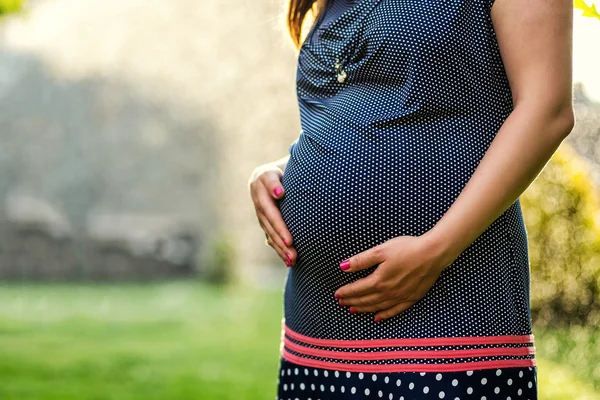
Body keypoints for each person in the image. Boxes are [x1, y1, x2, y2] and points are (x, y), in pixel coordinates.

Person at [248, 0, 574, 398]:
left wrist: (436, 249)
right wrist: (285, 169)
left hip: (452, 322)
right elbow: (361, 109)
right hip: (315, 330)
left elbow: (547, 110)